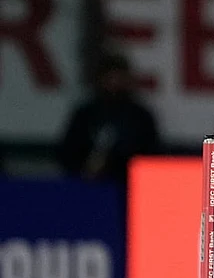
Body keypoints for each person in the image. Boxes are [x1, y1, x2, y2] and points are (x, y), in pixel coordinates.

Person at [58, 51, 160, 183]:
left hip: (131, 186)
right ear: (99, 79)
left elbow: (152, 156)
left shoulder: (141, 117)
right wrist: (85, 167)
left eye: (119, 77)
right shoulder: (85, 115)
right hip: (88, 186)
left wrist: (120, 163)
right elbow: (67, 153)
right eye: (109, 77)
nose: (114, 82)